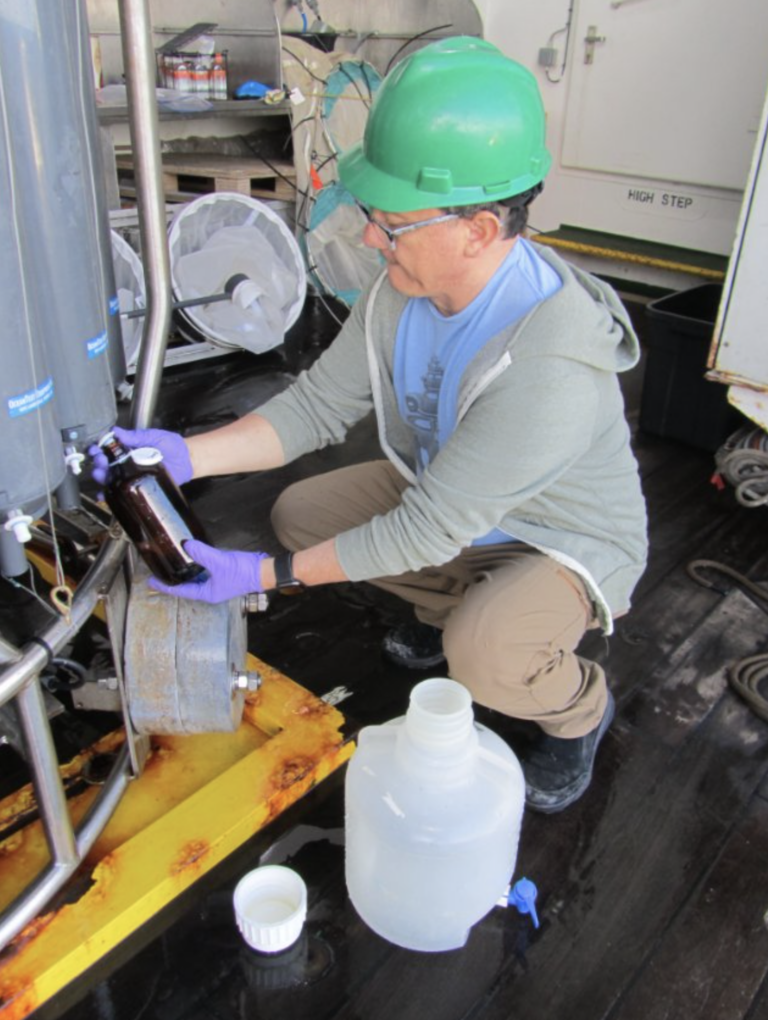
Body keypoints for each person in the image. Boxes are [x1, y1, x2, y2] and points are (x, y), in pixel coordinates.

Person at [96, 37, 647, 814]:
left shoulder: (551, 363)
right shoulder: (403, 288)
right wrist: (182, 456)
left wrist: (259, 580)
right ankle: (447, 604)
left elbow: (420, 530)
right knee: (299, 513)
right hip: (449, 491)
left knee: (482, 656)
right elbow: (316, 407)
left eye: (392, 223)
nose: (368, 238)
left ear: (479, 230)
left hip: (558, 535)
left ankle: (576, 710)